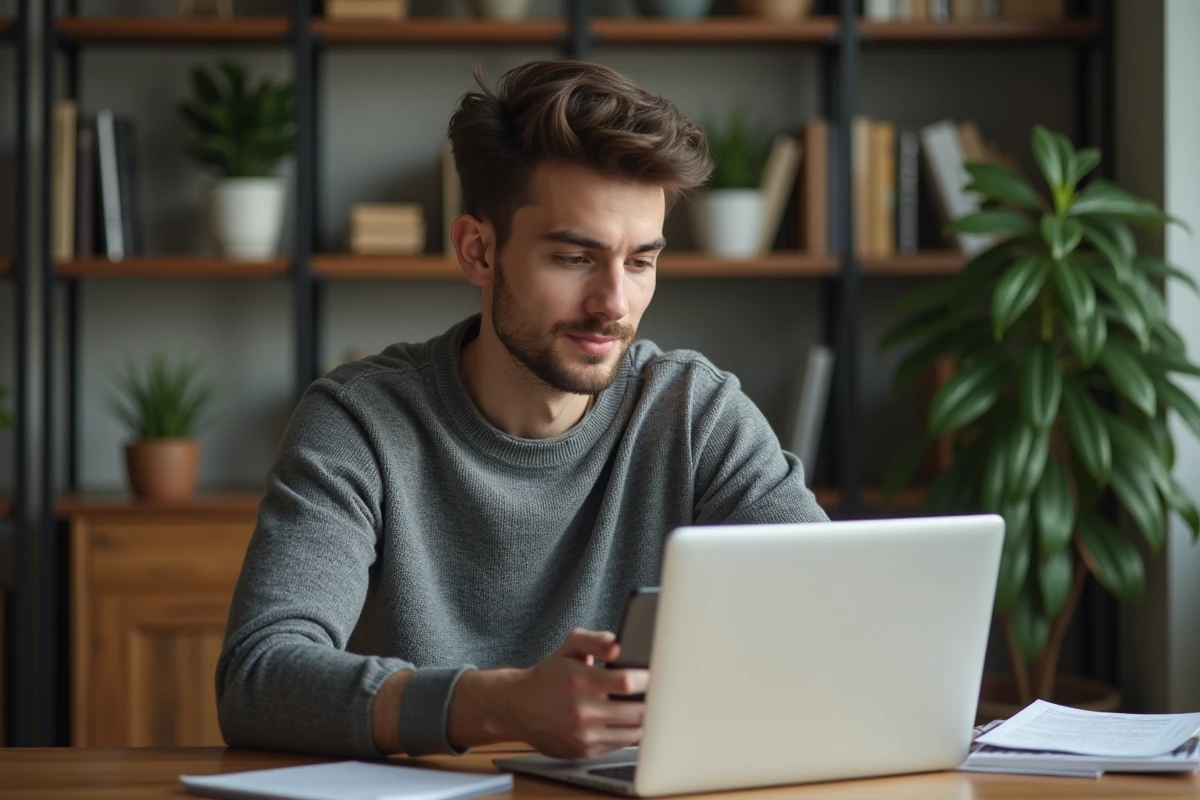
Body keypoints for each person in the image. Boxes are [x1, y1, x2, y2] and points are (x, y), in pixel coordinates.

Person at [216, 58, 829, 762]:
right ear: (479, 250)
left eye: (640, 262)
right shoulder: (359, 422)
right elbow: (258, 679)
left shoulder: (695, 413)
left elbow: (825, 613)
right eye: (575, 258)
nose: (614, 304)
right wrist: (502, 705)